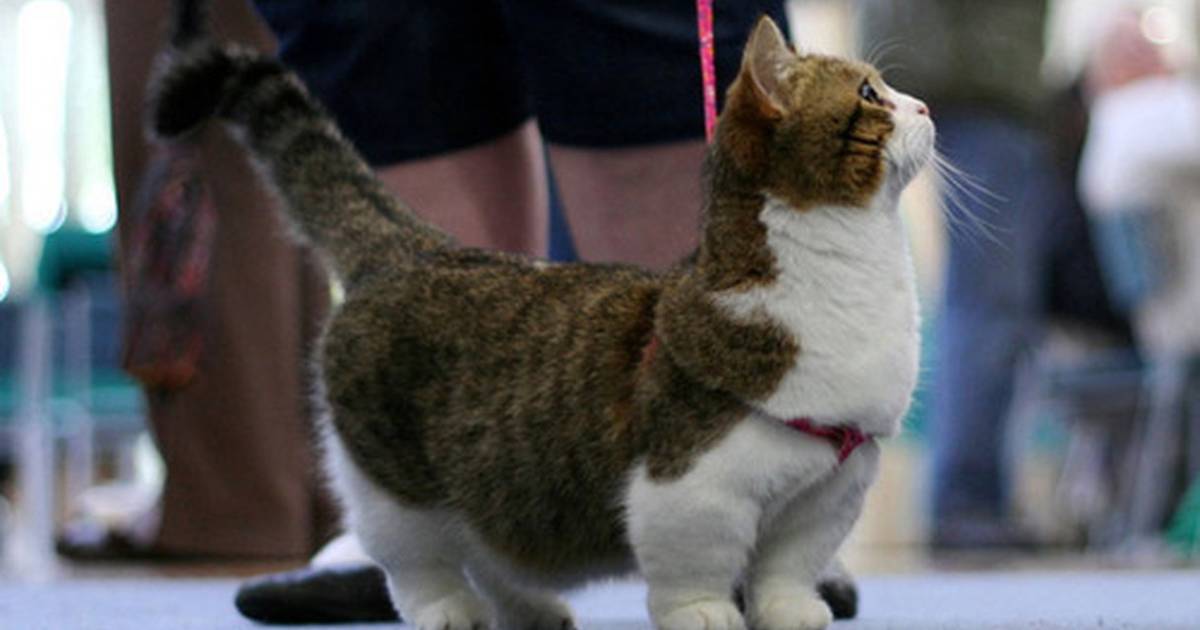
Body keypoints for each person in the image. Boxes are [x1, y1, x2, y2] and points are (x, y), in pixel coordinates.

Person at [856, 0, 1128, 550]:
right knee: (990, 305)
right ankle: (967, 501)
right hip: (981, 85)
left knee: (982, 302)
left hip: (964, 77)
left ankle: (968, 498)